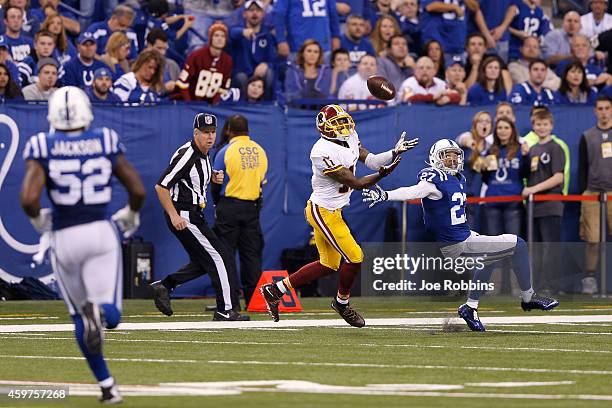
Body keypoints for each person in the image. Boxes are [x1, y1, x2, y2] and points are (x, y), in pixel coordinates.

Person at [20, 86, 146, 403]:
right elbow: (138, 189)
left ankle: (107, 385)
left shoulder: (41, 144)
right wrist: (131, 213)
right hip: (100, 233)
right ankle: (100, 315)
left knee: (79, 317)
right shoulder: (104, 138)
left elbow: (28, 199)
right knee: (111, 314)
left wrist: (38, 222)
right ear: (86, 111)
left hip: (64, 236)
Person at [362, 138, 559, 332]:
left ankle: (470, 308)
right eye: (447, 157)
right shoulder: (432, 180)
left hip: (465, 237)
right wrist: (386, 195)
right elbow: (413, 191)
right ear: (435, 158)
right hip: (457, 244)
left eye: (456, 157)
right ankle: (528, 298)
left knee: (489, 259)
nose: (453, 161)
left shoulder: (459, 178)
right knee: (519, 244)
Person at [260, 104, 416, 327]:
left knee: (329, 264)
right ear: (324, 127)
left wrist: (394, 152)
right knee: (355, 256)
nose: (343, 126)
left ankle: (275, 289)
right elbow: (356, 182)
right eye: (337, 123)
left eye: (344, 121)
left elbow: (370, 159)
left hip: (334, 209)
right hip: (323, 210)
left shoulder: (350, 136)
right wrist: (383, 174)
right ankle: (342, 303)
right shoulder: (321, 151)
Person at [150, 113, 247, 321]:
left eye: (212, 132)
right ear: (196, 133)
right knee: (220, 256)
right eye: (205, 133)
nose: (210, 137)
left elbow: (193, 176)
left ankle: (164, 286)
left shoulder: (204, 153)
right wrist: (174, 215)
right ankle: (225, 309)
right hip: (184, 213)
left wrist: (212, 176)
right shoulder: (188, 154)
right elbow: (161, 186)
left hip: (194, 214)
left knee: (205, 261)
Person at [211, 115, 268, 307]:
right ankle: (254, 301)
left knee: (226, 255)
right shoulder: (260, 151)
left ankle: (232, 301)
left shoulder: (225, 151)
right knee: (251, 256)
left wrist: (217, 203)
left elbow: (216, 182)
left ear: (228, 131)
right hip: (252, 208)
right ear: (247, 130)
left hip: (229, 207)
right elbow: (261, 183)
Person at [523, 108, 566, 295]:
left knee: (551, 247)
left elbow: (558, 177)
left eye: (545, 124)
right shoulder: (532, 149)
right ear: (533, 126)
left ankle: (553, 285)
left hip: (551, 204)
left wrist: (533, 189)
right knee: (537, 248)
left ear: (551, 126)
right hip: (535, 207)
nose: (542, 128)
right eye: (538, 124)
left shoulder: (555, 147)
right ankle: (538, 285)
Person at [577, 95, 612, 294]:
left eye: (607, 108)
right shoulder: (587, 135)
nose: (604, 112)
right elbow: (582, 167)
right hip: (593, 193)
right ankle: (589, 278)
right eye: (600, 108)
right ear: (595, 111)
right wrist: (584, 191)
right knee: (593, 240)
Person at [175, 22, 233, 104]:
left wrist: (214, 105)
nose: (220, 38)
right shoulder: (196, 55)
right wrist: (189, 104)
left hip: (210, 105)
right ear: (210, 38)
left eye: (223, 36)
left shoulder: (227, 60)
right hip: (190, 102)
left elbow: (223, 87)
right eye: (216, 35)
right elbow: (182, 83)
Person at [229, 0, 276, 99]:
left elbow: (272, 58)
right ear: (244, 14)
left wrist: (266, 64)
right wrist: (242, 32)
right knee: (241, 77)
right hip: (242, 74)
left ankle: (267, 107)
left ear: (263, 14)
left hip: (259, 77)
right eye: (251, 10)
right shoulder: (237, 31)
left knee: (270, 73)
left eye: (258, 11)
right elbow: (230, 34)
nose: (255, 13)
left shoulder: (267, 35)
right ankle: (241, 106)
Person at [273, 0, 340, 56]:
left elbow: (333, 15)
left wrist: (336, 37)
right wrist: (281, 40)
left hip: (323, 44)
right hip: (298, 45)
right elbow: (279, 15)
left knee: (324, 70)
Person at [284, 39, 332, 104]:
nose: (312, 54)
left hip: (320, 108)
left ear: (319, 55)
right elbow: (290, 94)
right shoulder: (292, 71)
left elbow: (326, 93)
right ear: (303, 53)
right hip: (297, 109)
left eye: (316, 52)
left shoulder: (326, 71)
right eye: (309, 51)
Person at [144, 28, 181, 95]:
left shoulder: (172, 65)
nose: (162, 53)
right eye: (159, 48)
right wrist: (164, 88)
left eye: (164, 49)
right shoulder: (140, 67)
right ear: (149, 45)